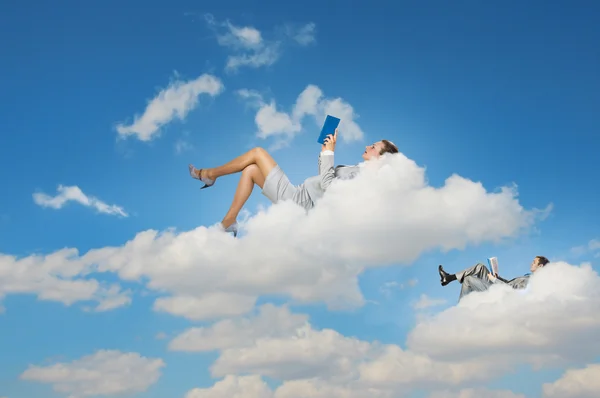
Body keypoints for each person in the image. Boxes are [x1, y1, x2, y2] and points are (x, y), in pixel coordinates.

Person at [188, 130, 399, 237]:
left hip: (299, 204)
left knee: (257, 153)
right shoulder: (358, 171)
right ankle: (228, 222)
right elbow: (326, 177)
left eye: (373, 147)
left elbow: (328, 187)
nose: (368, 146)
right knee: (251, 170)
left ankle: (208, 175)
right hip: (298, 195)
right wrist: (325, 149)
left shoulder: (361, 178)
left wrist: (329, 152)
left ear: (381, 157)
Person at [437, 255, 550, 301]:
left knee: (468, 279)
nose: (531, 263)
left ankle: (461, 309)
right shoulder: (527, 276)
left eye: (534, 262)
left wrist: (494, 280)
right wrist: (497, 277)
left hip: (501, 294)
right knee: (480, 267)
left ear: (540, 266)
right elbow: (509, 283)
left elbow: (511, 290)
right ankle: (449, 278)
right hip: (498, 286)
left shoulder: (533, 281)